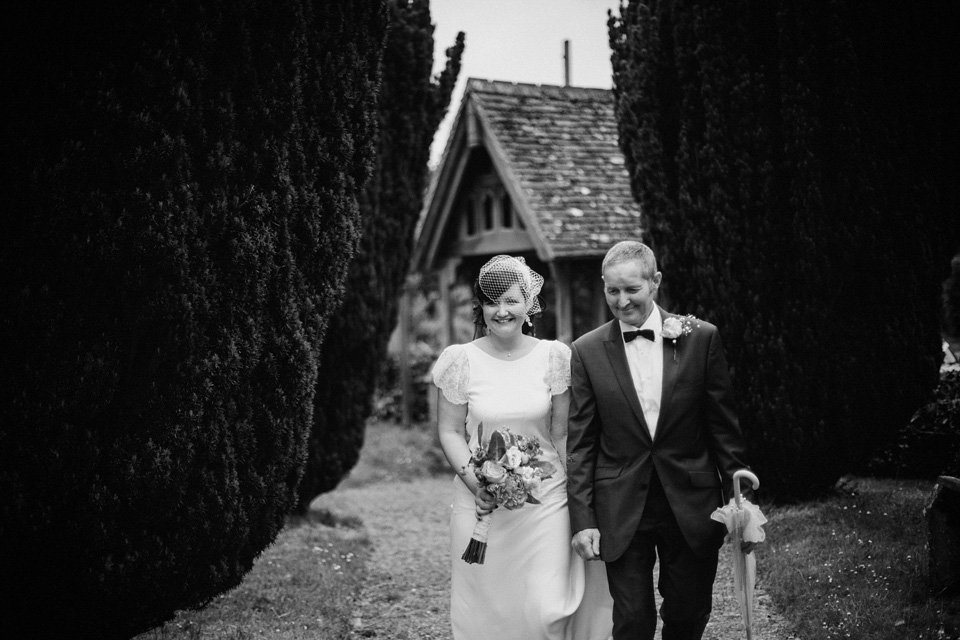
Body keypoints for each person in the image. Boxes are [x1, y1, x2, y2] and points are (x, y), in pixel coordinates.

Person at [566, 241, 753, 640]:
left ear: (655, 282)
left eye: (632, 289)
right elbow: (581, 444)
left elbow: (723, 429)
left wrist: (741, 502)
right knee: (632, 620)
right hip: (620, 504)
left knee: (688, 614)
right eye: (612, 290)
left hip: (691, 499)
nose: (621, 301)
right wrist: (582, 520)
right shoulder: (585, 351)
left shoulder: (701, 338)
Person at [432, 255, 613, 640]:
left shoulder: (554, 357)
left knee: (546, 608)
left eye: (512, 300)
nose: (502, 311)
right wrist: (477, 484)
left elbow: (563, 434)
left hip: (546, 502)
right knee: (488, 610)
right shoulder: (460, 360)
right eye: (492, 301)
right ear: (480, 307)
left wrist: (584, 499)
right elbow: (449, 432)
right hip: (481, 506)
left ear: (529, 304)